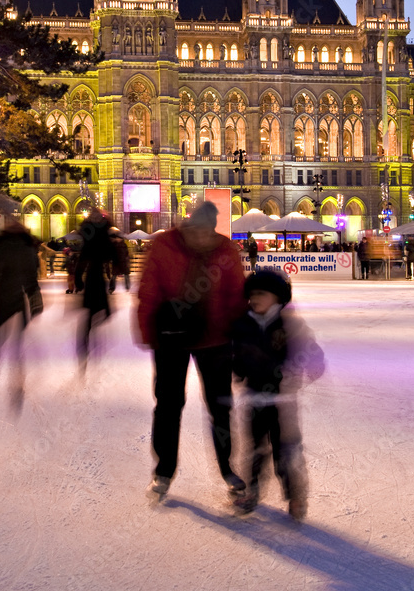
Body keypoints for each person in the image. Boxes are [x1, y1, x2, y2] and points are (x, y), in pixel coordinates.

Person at [137, 201, 247, 501]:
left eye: (207, 233)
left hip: (215, 339)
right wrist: (149, 334)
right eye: (197, 232)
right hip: (171, 338)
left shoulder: (225, 251)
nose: (202, 239)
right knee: (169, 405)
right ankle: (163, 471)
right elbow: (148, 289)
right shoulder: (164, 245)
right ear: (189, 227)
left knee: (220, 407)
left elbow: (236, 296)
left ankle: (227, 468)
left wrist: (240, 337)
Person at [232, 270, 325, 520]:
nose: (255, 299)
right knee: (254, 449)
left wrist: (313, 367)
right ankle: (252, 490)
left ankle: (295, 495)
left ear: (278, 297)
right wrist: (237, 370)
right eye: (251, 295)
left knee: (287, 451)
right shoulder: (244, 324)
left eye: (261, 294)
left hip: (283, 402)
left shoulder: (290, 324)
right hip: (255, 398)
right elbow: (236, 354)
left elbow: (310, 349)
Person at [0, 217, 42, 411]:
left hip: (3, 295)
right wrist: (35, 299)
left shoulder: (1, 244)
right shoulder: (26, 247)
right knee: (17, 339)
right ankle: (16, 375)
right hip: (17, 297)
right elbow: (31, 275)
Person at [75, 208, 116, 366]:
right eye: (95, 216)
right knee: (92, 314)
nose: (97, 218)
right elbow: (84, 256)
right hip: (94, 277)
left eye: (99, 216)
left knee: (98, 313)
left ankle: (89, 342)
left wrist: (117, 262)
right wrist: (78, 278)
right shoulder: (92, 233)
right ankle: (84, 344)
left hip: (98, 277)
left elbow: (110, 250)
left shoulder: (103, 232)